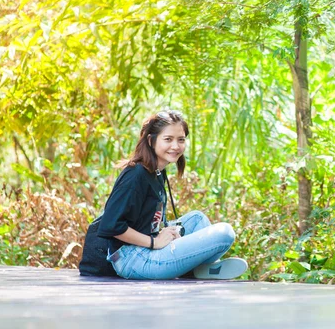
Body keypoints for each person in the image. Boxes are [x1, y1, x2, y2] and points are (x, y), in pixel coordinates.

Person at [91, 110, 247, 280]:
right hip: (133, 258)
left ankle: (201, 269)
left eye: (181, 139)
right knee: (225, 233)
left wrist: (164, 233)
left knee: (197, 219)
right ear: (151, 140)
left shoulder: (156, 172)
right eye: (168, 139)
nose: (175, 146)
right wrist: (154, 242)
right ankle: (199, 269)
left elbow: (146, 219)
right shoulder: (135, 175)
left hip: (146, 247)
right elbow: (111, 226)